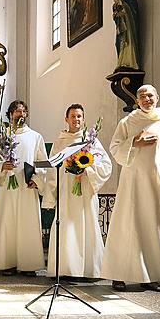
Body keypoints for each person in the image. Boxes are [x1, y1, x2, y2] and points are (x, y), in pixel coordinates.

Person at [101, 84, 160, 292]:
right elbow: (115, 148)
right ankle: (119, 275)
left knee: (152, 226)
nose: (146, 99)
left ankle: (152, 276)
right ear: (137, 101)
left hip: (154, 182)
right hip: (132, 182)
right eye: (142, 96)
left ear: (157, 97)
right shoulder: (128, 122)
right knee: (127, 225)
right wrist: (135, 141)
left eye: (150, 95)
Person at [43, 104, 112, 279]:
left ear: (83, 119)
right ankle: (65, 269)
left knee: (86, 225)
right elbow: (52, 170)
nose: (76, 120)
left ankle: (89, 270)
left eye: (79, 116)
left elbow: (105, 165)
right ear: (66, 119)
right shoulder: (60, 141)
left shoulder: (91, 141)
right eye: (73, 116)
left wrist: (86, 169)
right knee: (67, 228)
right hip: (67, 192)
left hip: (86, 191)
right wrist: (50, 197)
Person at [0, 100, 47, 276]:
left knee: (27, 223)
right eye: (17, 112)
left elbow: (42, 162)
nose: (21, 115)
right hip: (8, 188)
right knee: (8, 222)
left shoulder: (35, 137)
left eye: (24, 111)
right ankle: (8, 262)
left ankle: (28, 265)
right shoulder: (2, 136)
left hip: (26, 187)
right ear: (10, 114)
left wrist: (37, 179)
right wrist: (2, 166)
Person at [113, 0, 140, 70]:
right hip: (122, 22)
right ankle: (123, 61)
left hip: (128, 22)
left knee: (128, 39)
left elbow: (132, 6)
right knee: (119, 42)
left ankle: (130, 61)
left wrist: (122, 4)